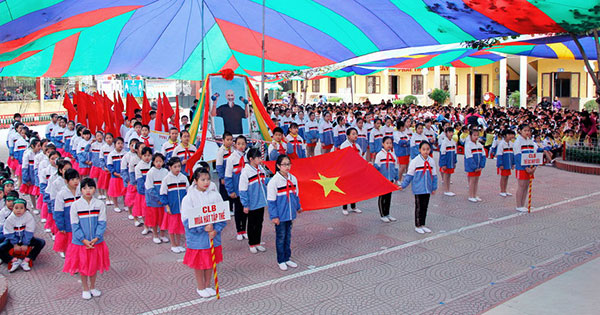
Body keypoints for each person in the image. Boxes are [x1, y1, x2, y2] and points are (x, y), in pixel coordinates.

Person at [180, 168, 225, 298]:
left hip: (213, 236)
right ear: (195, 181)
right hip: (198, 238)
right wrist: (202, 228)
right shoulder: (189, 198)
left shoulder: (215, 195)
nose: (206, 182)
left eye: (208, 179)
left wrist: (216, 229)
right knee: (200, 264)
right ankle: (200, 286)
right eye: (202, 180)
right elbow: (187, 220)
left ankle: (208, 285)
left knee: (211, 261)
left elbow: (222, 215)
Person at [63, 178, 110, 300]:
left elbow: (102, 223)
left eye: (91, 188)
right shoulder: (76, 205)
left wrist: (96, 237)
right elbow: (75, 225)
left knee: (94, 266)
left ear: (95, 189)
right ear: (81, 190)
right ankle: (85, 288)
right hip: (80, 243)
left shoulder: (99, 204)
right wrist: (83, 240)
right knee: (83, 267)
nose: (88, 190)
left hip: (96, 242)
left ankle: (93, 287)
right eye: (84, 188)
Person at [267, 155, 302, 271]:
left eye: (289, 164)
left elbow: (296, 196)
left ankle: (287, 258)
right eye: (284, 164)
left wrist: (298, 207)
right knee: (281, 237)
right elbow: (271, 202)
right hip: (280, 216)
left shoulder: (293, 179)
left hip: (290, 214)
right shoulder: (274, 182)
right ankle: (281, 260)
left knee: (288, 236)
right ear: (278, 166)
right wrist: (274, 216)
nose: (287, 167)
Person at [399, 141, 438, 234]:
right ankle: (417, 225)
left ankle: (423, 224)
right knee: (419, 207)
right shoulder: (415, 161)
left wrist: (434, 187)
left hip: (427, 188)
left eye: (428, 149)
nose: (426, 151)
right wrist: (403, 185)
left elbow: (434, 175)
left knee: (425, 206)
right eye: (423, 149)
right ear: (420, 150)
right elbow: (409, 175)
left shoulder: (431, 161)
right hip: (418, 188)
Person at [0, 198, 45, 272]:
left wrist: (25, 243)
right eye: (16, 208)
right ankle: (14, 261)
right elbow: (8, 232)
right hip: (14, 240)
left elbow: (29, 231)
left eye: (21, 208)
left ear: (25, 209)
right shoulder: (10, 219)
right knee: (1, 248)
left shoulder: (28, 217)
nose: (18, 210)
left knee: (41, 242)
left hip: (25, 239)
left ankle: (27, 260)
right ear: (13, 208)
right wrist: (15, 244)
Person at [238, 148, 268, 254]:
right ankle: (252, 243)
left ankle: (258, 242)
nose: (260, 160)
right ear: (251, 159)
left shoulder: (260, 168)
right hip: (252, 203)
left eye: (260, 157)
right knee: (252, 223)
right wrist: (245, 204)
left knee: (259, 223)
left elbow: (264, 181)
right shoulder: (246, 172)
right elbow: (242, 190)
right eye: (258, 158)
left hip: (261, 201)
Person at [159, 157, 188, 253]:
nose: (177, 169)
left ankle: (178, 244)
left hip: (182, 208)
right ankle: (173, 244)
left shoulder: (183, 178)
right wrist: (167, 206)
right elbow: (163, 194)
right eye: (175, 167)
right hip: (172, 208)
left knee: (179, 227)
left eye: (179, 166)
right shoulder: (166, 179)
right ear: (170, 167)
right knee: (172, 227)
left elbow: (188, 191)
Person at [225, 136, 248, 241]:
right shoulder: (231, 158)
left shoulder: (248, 157)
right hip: (237, 188)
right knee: (238, 210)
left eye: (243, 144)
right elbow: (228, 175)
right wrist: (231, 190)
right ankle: (239, 230)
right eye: (239, 144)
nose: (241, 146)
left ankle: (244, 229)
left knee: (246, 209)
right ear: (235, 145)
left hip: (247, 188)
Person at [54, 168, 81, 258]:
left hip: (80, 222)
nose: (76, 181)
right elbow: (58, 211)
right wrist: (61, 226)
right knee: (70, 245)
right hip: (68, 223)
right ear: (66, 181)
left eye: (77, 178)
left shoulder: (81, 191)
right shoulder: (62, 194)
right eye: (72, 179)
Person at [145, 153, 169, 244]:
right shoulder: (151, 172)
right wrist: (158, 198)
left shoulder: (165, 172)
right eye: (156, 161)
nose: (158, 163)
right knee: (154, 218)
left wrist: (163, 198)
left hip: (162, 200)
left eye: (160, 161)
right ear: (153, 162)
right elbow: (149, 188)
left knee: (162, 218)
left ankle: (163, 234)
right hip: (153, 200)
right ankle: (155, 235)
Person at [513, 124, 538, 212]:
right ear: (520, 131)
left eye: (528, 130)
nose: (527, 132)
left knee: (526, 186)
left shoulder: (531, 142)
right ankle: (518, 205)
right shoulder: (518, 142)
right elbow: (518, 156)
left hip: (530, 167)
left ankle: (523, 204)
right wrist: (525, 167)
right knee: (521, 185)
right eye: (525, 130)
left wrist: (534, 166)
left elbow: (535, 155)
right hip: (521, 168)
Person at [373, 136, 398, 223]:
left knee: (388, 197)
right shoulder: (380, 155)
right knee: (382, 197)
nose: (389, 145)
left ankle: (387, 213)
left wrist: (396, 177)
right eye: (387, 143)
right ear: (383, 144)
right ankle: (382, 214)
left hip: (390, 179)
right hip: (382, 179)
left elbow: (395, 167)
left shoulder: (393, 155)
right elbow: (376, 167)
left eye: (390, 143)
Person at [339, 128, 363, 215]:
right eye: (353, 134)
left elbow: (360, 157)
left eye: (356, 134)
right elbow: (343, 158)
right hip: (347, 170)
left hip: (355, 170)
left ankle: (353, 206)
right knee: (346, 189)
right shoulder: (344, 145)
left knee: (354, 188)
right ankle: (344, 207)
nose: (355, 135)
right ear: (348, 135)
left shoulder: (357, 146)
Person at [464, 127, 486, 202]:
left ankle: (475, 194)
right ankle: (471, 195)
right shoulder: (468, 145)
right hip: (471, 167)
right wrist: (474, 167)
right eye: (474, 135)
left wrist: (481, 166)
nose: (476, 137)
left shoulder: (480, 145)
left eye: (477, 135)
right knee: (472, 181)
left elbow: (483, 155)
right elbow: (469, 157)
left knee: (476, 181)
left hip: (479, 166)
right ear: (470, 136)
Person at [135, 146, 152, 232]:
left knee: (152, 211)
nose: (147, 157)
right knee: (144, 211)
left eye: (149, 155)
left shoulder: (153, 165)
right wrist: (144, 191)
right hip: (143, 193)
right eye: (145, 155)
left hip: (152, 192)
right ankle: (146, 227)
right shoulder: (138, 166)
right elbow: (140, 181)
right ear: (141, 156)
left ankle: (152, 226)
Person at [215, 132, 233, 215]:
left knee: (231, 191)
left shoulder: (233, 149)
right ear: (223, 140)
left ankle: (231, 208)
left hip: (232, 175)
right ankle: (225, 210)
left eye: (231, 140)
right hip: (224, 176)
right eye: (227, 140)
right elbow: (219, 165)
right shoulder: (221, 151)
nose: (229, 142)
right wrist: (222, 177)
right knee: (224, 193)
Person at [21, 139, 41, 208]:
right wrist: (26, 179)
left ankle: (38, 205)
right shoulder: (28, 154)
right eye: (38, 146)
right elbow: (25, 167)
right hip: (30, 174)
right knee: (31, 191)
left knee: (39, 191)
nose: (40, 147)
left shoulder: (40, 153)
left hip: (38, 174)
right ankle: (34, 205)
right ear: (32, 146)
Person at [496, 129, 515, 197]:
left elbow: (513, 154)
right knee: (503, 177)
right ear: (504, 136)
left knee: (507, 177)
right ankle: (502, 190)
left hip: (509, 163)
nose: (511, 136)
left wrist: (513, 163)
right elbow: (499, 155)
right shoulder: (501, 144)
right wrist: (500, 164)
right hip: (503, 163)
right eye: (509, 135)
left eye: (511, 135)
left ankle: (505, 190)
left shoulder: (511, 144)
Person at [438, 127, 457, 196]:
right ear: (446, 133)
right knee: (446, 176)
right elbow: (442, 154)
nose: (451, 134)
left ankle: (448, 189)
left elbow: (455, 153)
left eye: (452, 132)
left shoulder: (453, 142)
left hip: (451, 162)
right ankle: (446, 190)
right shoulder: (444, 142)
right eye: (449, 132)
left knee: (449, 176)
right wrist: (443, 164)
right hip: (446, 162)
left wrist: (455, 162)